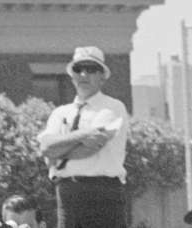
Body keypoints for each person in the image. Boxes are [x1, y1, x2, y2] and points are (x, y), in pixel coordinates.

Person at [37, 46, 129, 228]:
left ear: (102, 76)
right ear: (72, 76)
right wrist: (83, 134)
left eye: (91, 69)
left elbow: (90, 148)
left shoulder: (112, 107)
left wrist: (59, 148)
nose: (84, 75)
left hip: (104, 192)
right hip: (68, 192)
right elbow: (46, 148)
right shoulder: (59, 112)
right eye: (78, 69)